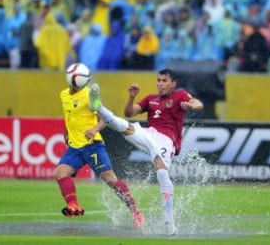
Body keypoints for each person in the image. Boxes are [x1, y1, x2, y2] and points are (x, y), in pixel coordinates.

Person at [88, 69, 204, 235]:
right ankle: (99, 107)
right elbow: (129, 112)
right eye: (158, 80)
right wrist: (131, 97)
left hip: (166, 141)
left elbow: (199, 104)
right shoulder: (151, 99)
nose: (160, 84)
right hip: (148, 134)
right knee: (125, 126)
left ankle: (169, 224)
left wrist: (191, 105)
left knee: (162, 174)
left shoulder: (180, 95)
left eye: (164, 81)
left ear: (173, 83)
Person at [54, 66, 145, 229]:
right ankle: (74, 205)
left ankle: (136, 212)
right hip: (75, 147)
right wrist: (66, 131)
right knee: (61, 173)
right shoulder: (63, 94)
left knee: (110, 180)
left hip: (92, 145)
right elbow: (70, 115)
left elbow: (107, 119)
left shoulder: (90, 96)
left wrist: (94, 129)